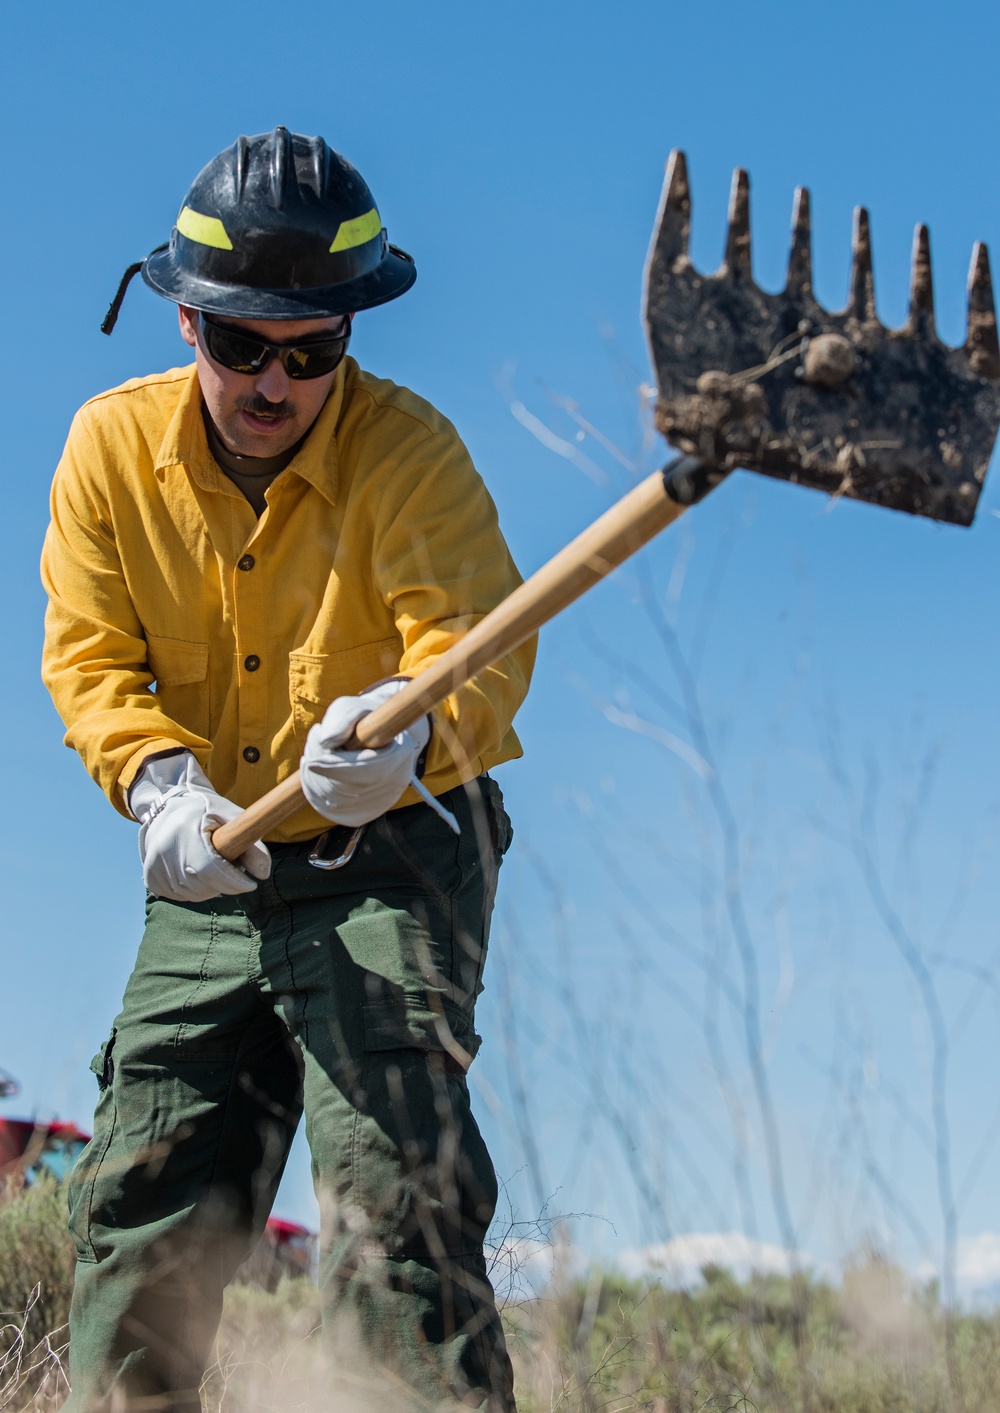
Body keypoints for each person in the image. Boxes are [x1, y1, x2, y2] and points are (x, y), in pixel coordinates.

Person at [41, 126, 534, 1412]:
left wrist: (415, 736)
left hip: (396, 855)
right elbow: (90, 657)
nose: (277, 382)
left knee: (390, 1198)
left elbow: (481, 652)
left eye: (312, 352)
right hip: (214, 857)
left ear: (348, 340)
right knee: (147, 1200)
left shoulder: (409, 454)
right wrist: (157, 787)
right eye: (243, 345)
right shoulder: (107, 452)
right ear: (187, 319)